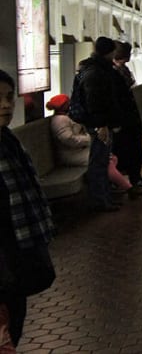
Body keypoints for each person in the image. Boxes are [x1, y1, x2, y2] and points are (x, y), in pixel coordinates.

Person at [0, 69, 55, 349]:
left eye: (9, 97)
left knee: (13, 326)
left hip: (14, 257)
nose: (6, 105)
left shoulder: (9, 142)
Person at [46, 94, 134, 194]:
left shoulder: (65, 117)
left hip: (77, 151)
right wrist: (88, 139)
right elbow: (68, 139)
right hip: (70, 154)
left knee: (111, 158)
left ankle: (109, 184)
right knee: (103, 161)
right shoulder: (59, 120)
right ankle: (126, 186)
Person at [76, 36, 125, 212]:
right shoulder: (96, 72)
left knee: (103, 160)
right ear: (109, 52)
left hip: (102, 123)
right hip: (99, 125)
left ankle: (105, 197)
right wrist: (101, 125)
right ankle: (100, 200)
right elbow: (95, 101)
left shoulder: (96, 68)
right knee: (99, 161)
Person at [112, 42, 142, 191]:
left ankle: (133, 178)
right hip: (123, 118)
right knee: (127, 149)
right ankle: (129, 180)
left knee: (132, 149)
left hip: (127, 118)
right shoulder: (114, 73)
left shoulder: (121, 70)